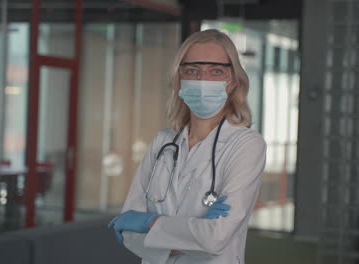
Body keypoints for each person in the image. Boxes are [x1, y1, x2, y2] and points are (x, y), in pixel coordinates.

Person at [108, 29, 267, 264]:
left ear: (232, 82)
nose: (203, 81)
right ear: (179, 79)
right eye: (193, 71)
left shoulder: (246, 145)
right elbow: (129, 235)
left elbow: (216, 239)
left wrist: (148, 223)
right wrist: (194, 235)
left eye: (216, 71)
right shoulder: (162, 143)